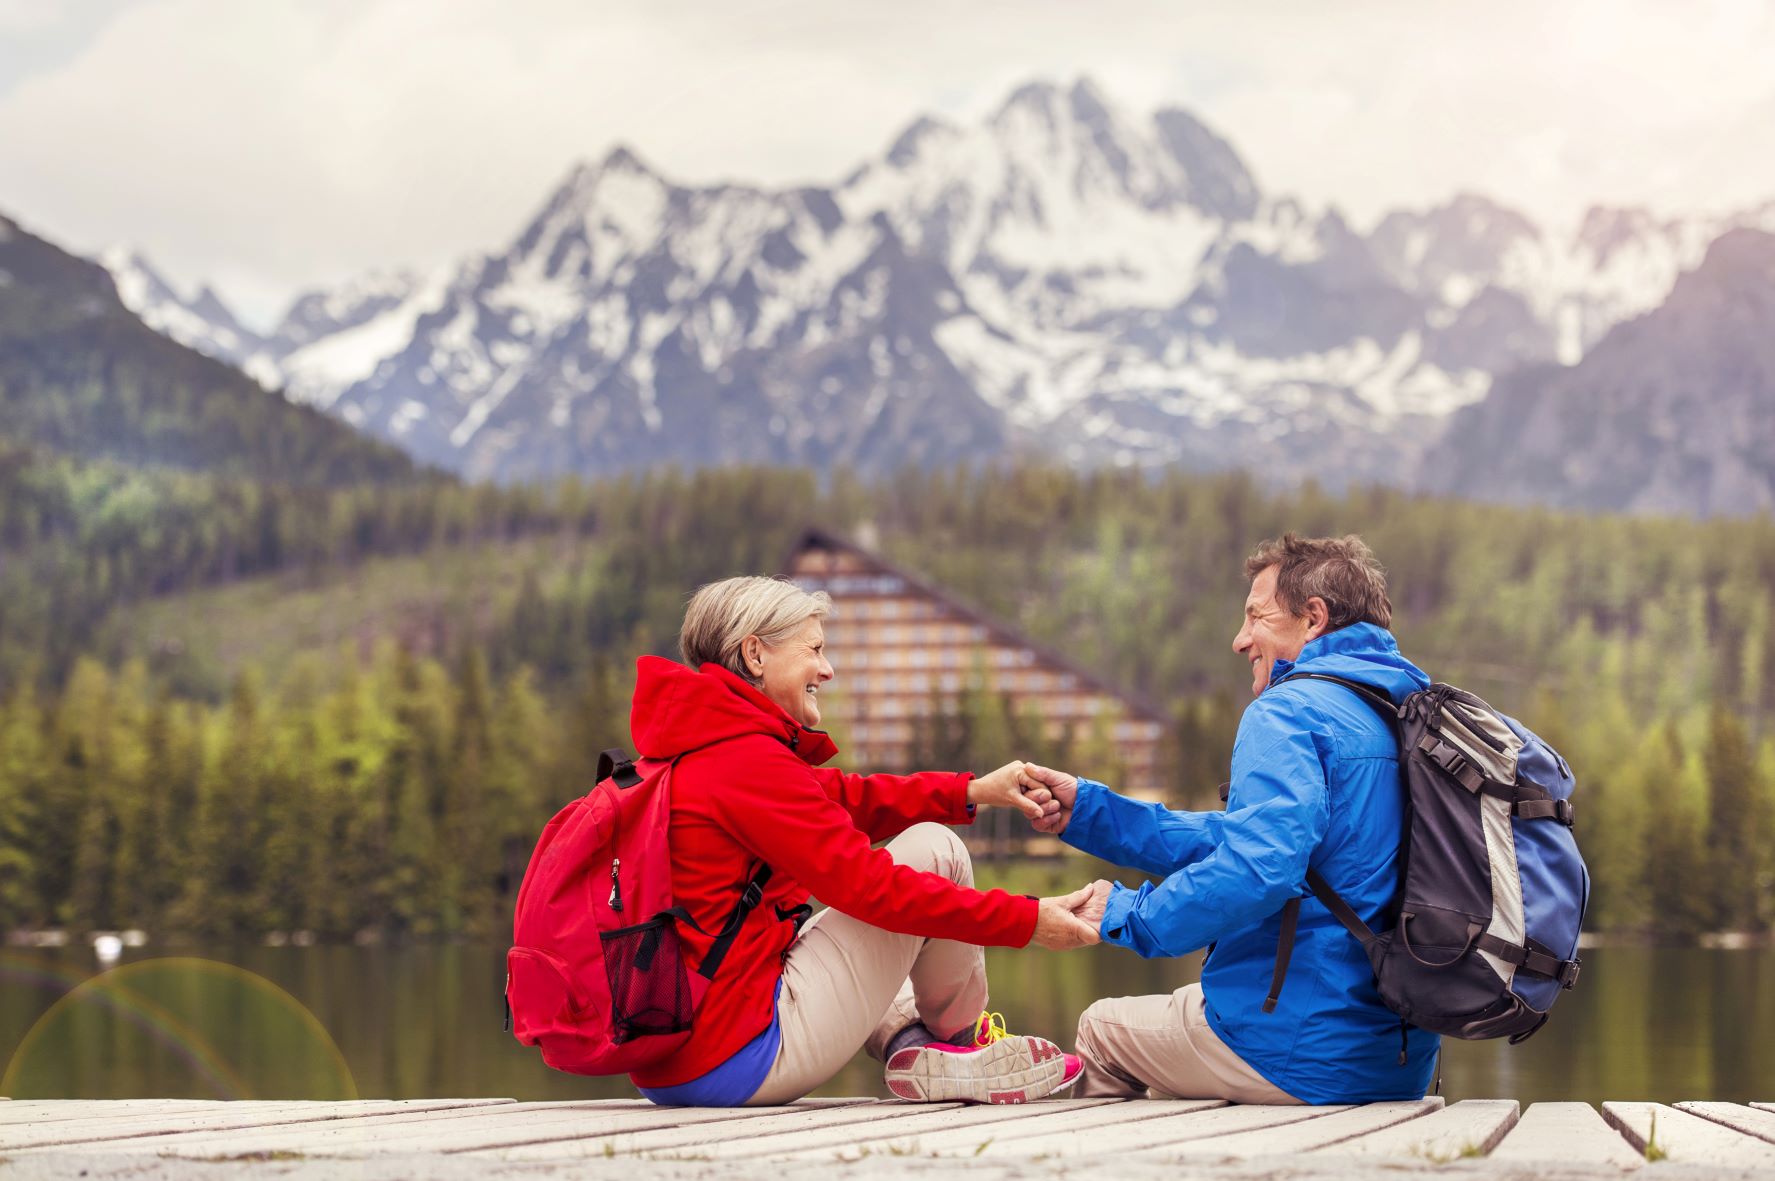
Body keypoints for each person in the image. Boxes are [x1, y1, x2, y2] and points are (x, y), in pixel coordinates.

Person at [628, 575, 1097, 1108]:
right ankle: (967, 1047)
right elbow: (872, 888)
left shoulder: (700, 745)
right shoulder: (746, 762)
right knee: (935, 854)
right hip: (737, 1058)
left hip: (677, 1057)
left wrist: (973, 790)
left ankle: (915, 1045)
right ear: (755, 654)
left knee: (904, 884)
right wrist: (1029, 919)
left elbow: (844, 798)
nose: (826, 670)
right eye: (815, 650)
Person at [1020, 533, 1440, 1104]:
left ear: (1313, 618)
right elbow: (1248, 840)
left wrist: (1127, 913)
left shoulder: (1289, 711)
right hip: (1401, 1060)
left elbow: (1259, 869)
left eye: (1255, 616)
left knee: (1103, 1028)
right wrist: (1092, 812)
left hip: (1297, 1051)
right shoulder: (1405, 714)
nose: (1240, 640)